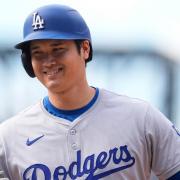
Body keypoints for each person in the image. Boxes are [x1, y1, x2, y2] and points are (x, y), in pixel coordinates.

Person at [0, 4, 179, 180]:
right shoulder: (8, 139)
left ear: (85, 49)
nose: (48, 61)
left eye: (58, 49)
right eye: (38, 53)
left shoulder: (141, 118)